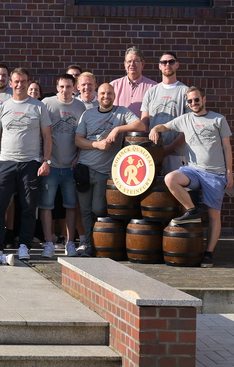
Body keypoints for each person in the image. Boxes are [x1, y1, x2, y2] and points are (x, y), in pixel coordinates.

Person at [149, 86, 231, 268]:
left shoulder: (218, 119)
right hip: (193, 170)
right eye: (190, 101)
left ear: (204, 99)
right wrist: (155, 128)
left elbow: (227, 147)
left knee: (213, 215)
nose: (193, 103)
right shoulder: (185, 119)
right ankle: (192, 211)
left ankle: (208, 253)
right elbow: (165, 126)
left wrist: (229, 173)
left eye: (196, 100)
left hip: (215, 174)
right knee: (171, 179)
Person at [0, 68, 51, 260]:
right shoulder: (3, 106)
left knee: (29, 207)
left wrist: (46, 160)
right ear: (11, 83)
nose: (20, 85)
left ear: (28, 82)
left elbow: (47, 136)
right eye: (17, 81)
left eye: (23, 81)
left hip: (30, 163)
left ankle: (24, 245)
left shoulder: (38, 107)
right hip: (5, 162)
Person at [74, 84, 145, 256]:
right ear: (97, 96)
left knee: (98, 209)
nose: (106, 96)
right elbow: (78, 140)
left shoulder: (122, 112)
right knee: (85, 210)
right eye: (103, 93)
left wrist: (118, 129)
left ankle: (99, 244)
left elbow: (141, 126)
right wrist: (98, 144)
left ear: (114, 95)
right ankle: (89, 245)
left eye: (109, 93)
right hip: (84, 169)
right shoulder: (87, 114)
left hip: (104, 171)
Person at [39, 74, 86, 258]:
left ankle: (70, 243)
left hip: (70, 165)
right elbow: (40, 133)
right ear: (56, 87)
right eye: (62, 87)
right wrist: (43, 158)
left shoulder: (80, 106)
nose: (65, 90)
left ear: (74, 87)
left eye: (68, 86)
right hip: (51, 164)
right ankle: (49, 244)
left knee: (71, 205)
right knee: (46, 206)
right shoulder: (47, 104)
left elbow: (84, 133)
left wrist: (79, 156)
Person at [141, 52, 188, 173]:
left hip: (177, 154)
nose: (168, 64)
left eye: (171, 62)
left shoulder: (186, 92)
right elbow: (145, 121)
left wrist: (170, 148)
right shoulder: (151, 92)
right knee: (154, 191)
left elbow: (189, 126)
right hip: (153, 152)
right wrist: (149, 147)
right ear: (159, 66)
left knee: (175, 190)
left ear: (177, 65)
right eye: (164, 62)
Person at [111, 45, 156, 117]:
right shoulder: (113, 86)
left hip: (143, 128)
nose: (132, 64)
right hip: (118, 127)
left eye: (136, 61)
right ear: (125, 64)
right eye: (129, 61)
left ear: (143, 64)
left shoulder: (153, 87)